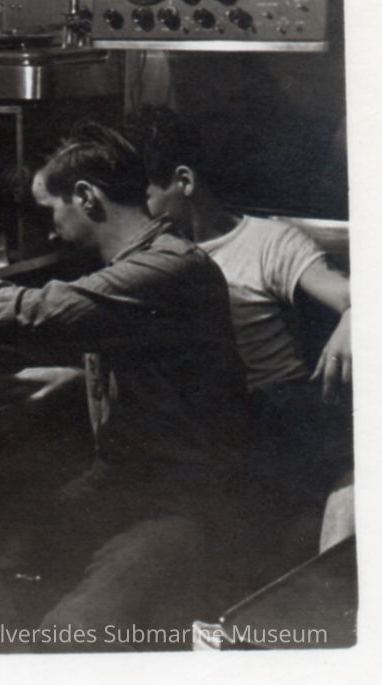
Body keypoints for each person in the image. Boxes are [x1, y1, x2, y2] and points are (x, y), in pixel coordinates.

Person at [0, 121, 252, 643]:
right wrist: (81, 376)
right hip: (133, 481)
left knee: (64, 636)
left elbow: (17, 312)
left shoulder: (168, 266)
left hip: (180, 502)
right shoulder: (156, 257)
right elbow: (165, 364)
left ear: (87, 197)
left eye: (51, 209)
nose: (51, 229)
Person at [136, 105, 352, 562]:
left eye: (145, 196)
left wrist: (353, 317)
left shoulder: (267, 242)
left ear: (184, 181)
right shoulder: (148, 255)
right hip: (205, 427)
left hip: (274, 419)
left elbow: (353, 296)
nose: (140, 213)